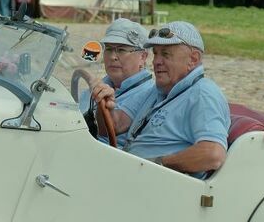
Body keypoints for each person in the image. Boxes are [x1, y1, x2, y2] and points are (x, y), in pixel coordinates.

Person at [91, 21, 229, 178]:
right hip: (130, 174)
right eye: (155, 53)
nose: (156, 61)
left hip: (156, 185)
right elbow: (113, 127)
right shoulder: (158, 89)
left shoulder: (203, 94)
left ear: (193, 59)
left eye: (166, 54)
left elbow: (213, 154)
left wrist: (158, 164)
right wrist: (104, 103)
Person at [78, 19, 153, 146]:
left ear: (142, 57)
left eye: (121, 50)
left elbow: (112, 128)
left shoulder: (148, 91)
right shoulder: (106, 81)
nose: (113, 56)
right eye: (109, 49)